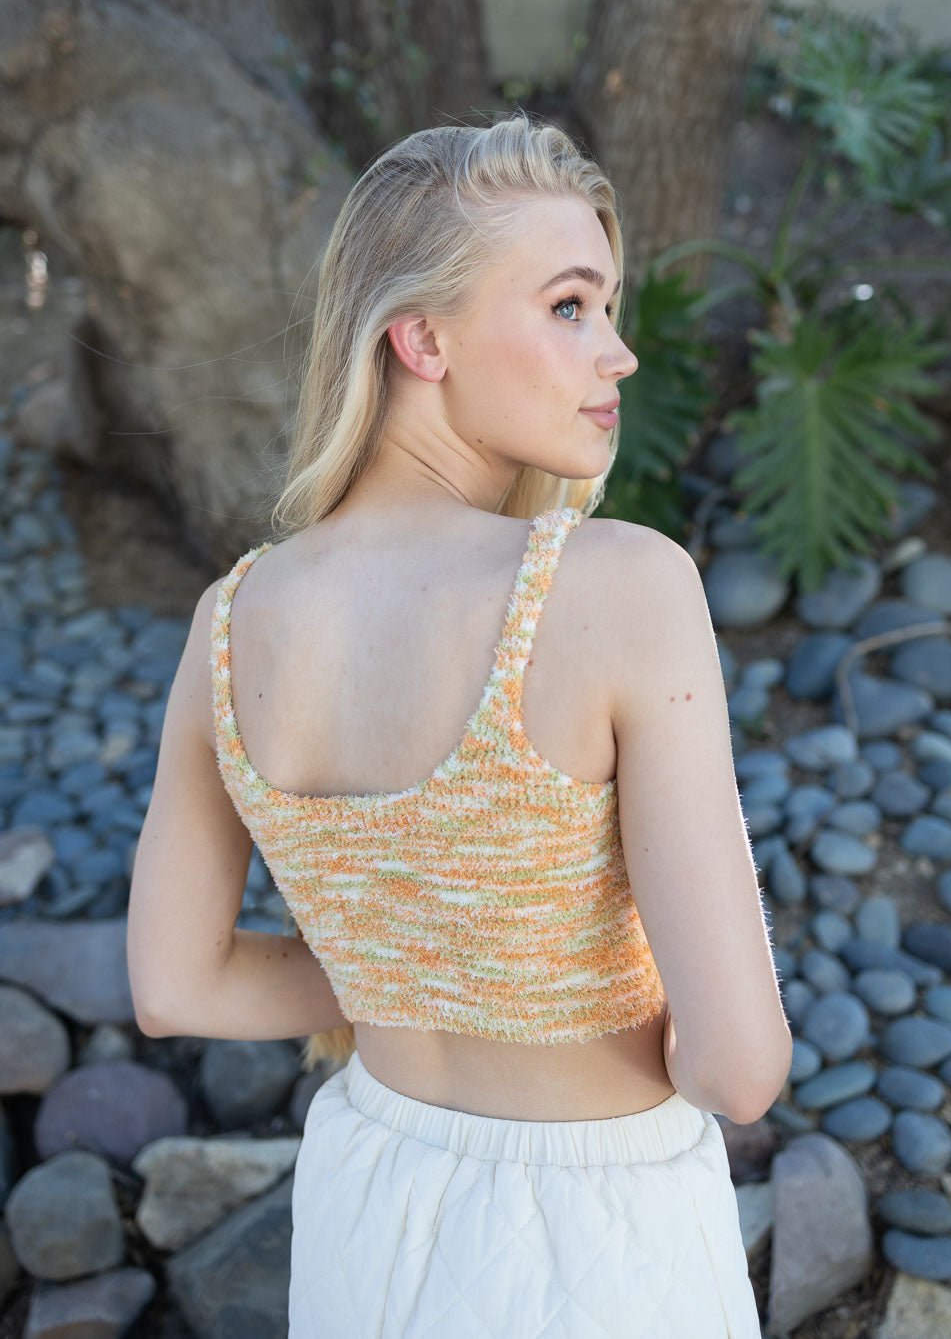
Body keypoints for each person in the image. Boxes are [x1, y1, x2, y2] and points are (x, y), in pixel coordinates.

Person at [127, 111, 791, 1338]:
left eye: (606, 308)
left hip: (365, 1197)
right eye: (569, 306)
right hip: (599, 1233)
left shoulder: (230, 620)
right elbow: (737, 1069)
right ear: (421, 338)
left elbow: (175, 985)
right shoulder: (615, 585)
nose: (617, 354)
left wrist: (411, 964)